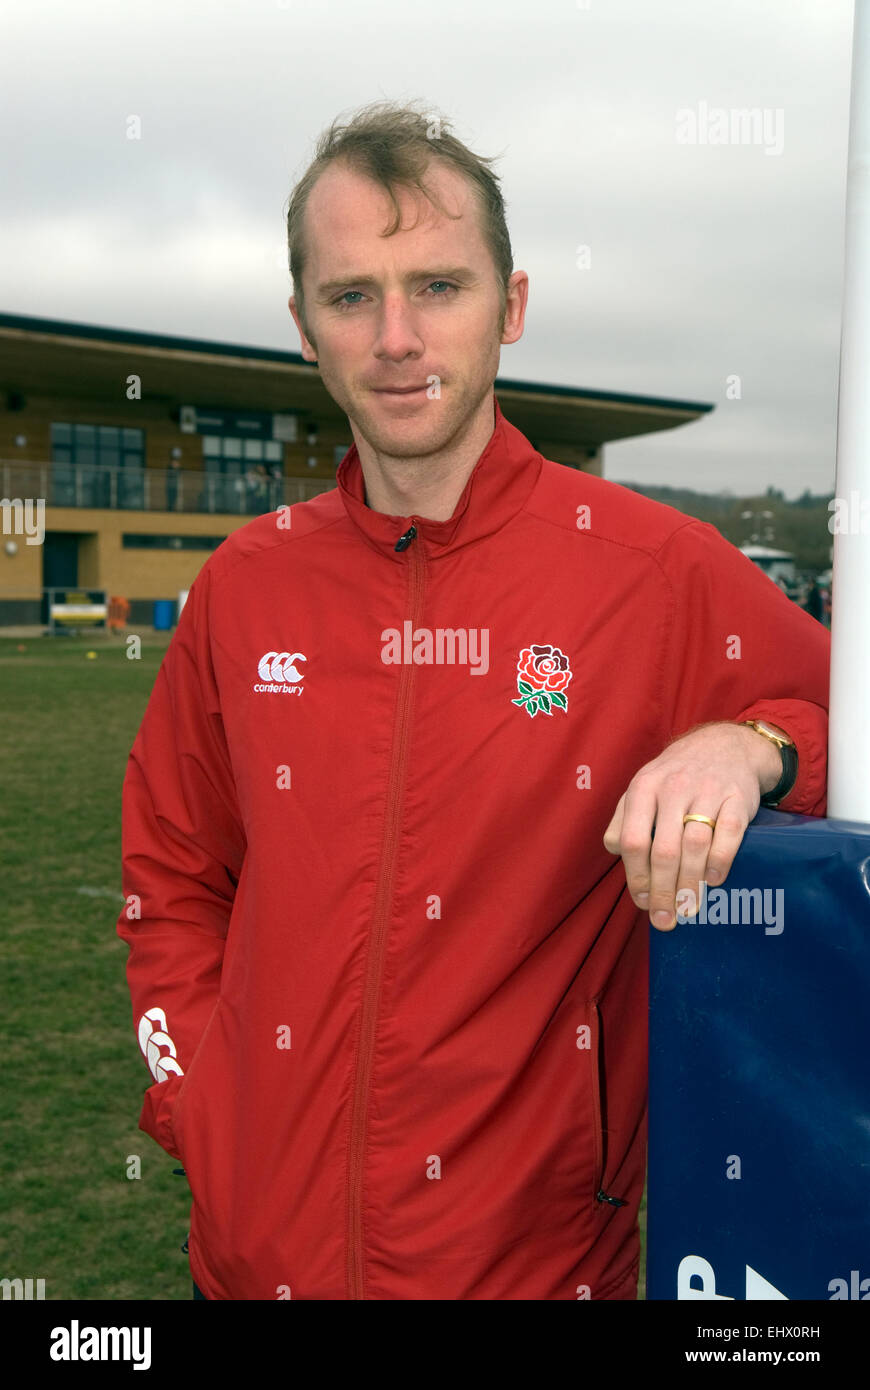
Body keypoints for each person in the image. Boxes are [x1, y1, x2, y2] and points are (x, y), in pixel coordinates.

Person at [116, 99, 830, 1302]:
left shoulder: (655, 571)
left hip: (528, 1270)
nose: (397, 337)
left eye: (437, 286)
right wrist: (202, 1105)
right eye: (353, 297)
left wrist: (754, 741)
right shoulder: (246, 587)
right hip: (249, 1267)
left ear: (513, 305)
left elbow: (840, 710)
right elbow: (171, 878)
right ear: (303, 327)